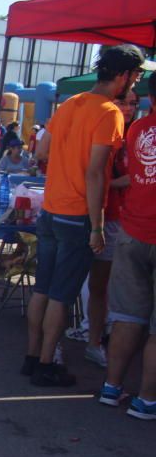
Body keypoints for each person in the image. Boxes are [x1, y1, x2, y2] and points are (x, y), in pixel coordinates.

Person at [22, 44, 146, 387]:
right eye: (135, 77)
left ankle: (33, 358)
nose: (135, 84)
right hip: (77, 214)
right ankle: (47, 363)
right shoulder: (109, 112)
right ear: (123, 76)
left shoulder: (71, 104)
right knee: (62, 294)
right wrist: (97, 225)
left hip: (51, 210)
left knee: (42, 289)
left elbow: (42, 150)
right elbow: (95, 172)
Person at [99, 70, 156, 419]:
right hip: (141, 230)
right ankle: (146, 399)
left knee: (127, 316)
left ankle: (111, 386)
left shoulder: (136, 129)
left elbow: (136, 175)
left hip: (132, 231)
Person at [83, 88, 140, 368]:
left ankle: (99, 342)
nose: (128, 108)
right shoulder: (104, 129)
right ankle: (89, 341)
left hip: (125, 220)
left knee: (110, 288)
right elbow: (92, 174)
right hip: (96, 215)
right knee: (88, 286)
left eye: (133, 103)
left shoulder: (138, 134)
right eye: (122, 102)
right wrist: (119, 182)